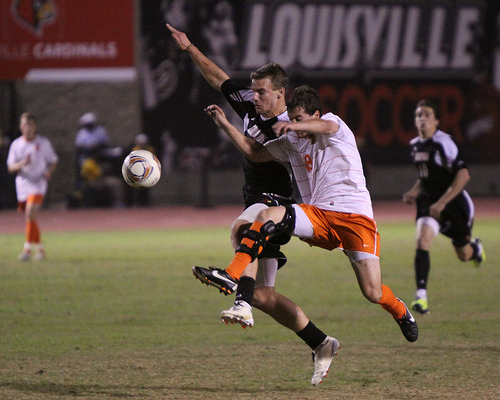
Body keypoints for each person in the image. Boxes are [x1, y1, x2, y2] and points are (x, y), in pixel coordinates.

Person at [167, 24, 338, 386]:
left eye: (261, 91)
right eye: (254, 90)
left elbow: (259, 151)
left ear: (280, 93)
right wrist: (189, 47)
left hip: (277, 201)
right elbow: (218, 78)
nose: (254, 97)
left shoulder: (291, 126)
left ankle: (238, 296)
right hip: (255, 197)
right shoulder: (250, 102)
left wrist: (227, 127)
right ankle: (321, 342)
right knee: (266, 296)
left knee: (242, 228)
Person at [198, 85, 418, 346]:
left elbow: (324, 127)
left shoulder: (334, 124)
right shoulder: (292, 140)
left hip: (355, 218)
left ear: (315, 114)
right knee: (266, 216)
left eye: (300, 119)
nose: (295, 126)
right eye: (291, 119)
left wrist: (293, 126)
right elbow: (255, 153)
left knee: (372, 291)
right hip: (319, 215)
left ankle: (399, 310)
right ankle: (232, 273)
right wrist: (226, 125)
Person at [402, 99, 485, 314]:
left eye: (427, 114)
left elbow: (463, 175)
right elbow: (426, 177)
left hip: (455, 205)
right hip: (428, 203)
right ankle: (421, 297)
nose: (422, 118)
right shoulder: (415, 145)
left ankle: (476, 249)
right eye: (418, 115)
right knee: (422, 240)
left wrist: (443, 202)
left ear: (436, 121)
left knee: (463, 254)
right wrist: (414, 191)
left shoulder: (443, 143)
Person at [6, 112, 58, 261]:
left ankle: (26, 250)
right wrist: (22, 163)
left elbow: (53, 160)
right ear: (21, 127)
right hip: (23, 183)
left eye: (30, 125)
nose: (27, 128)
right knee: (30, 218)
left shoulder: (42, 143)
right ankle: (40, 250)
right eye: (25, 125)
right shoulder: (16, 144)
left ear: (35, 127)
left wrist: (49, 171)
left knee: (30, 212)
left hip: (38, 183)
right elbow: (10, 167)